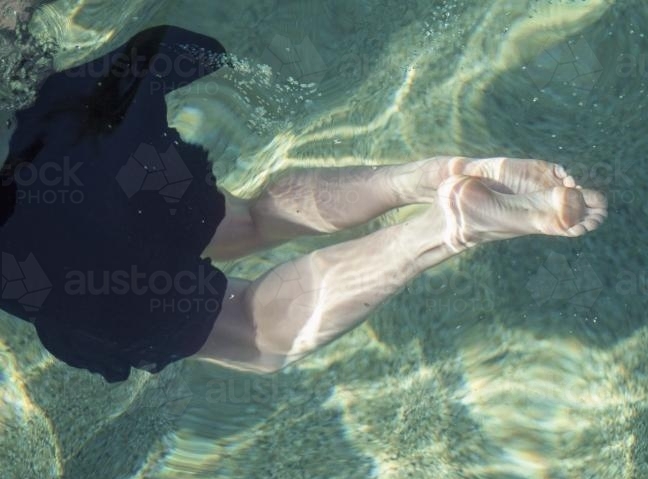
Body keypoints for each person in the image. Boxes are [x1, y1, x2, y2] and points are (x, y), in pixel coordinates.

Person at [0, 25, 606, 382]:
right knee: (244, 221)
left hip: (31, 231)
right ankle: (431, 176)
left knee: (250, 330)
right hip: (73, 134)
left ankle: (449, 225)